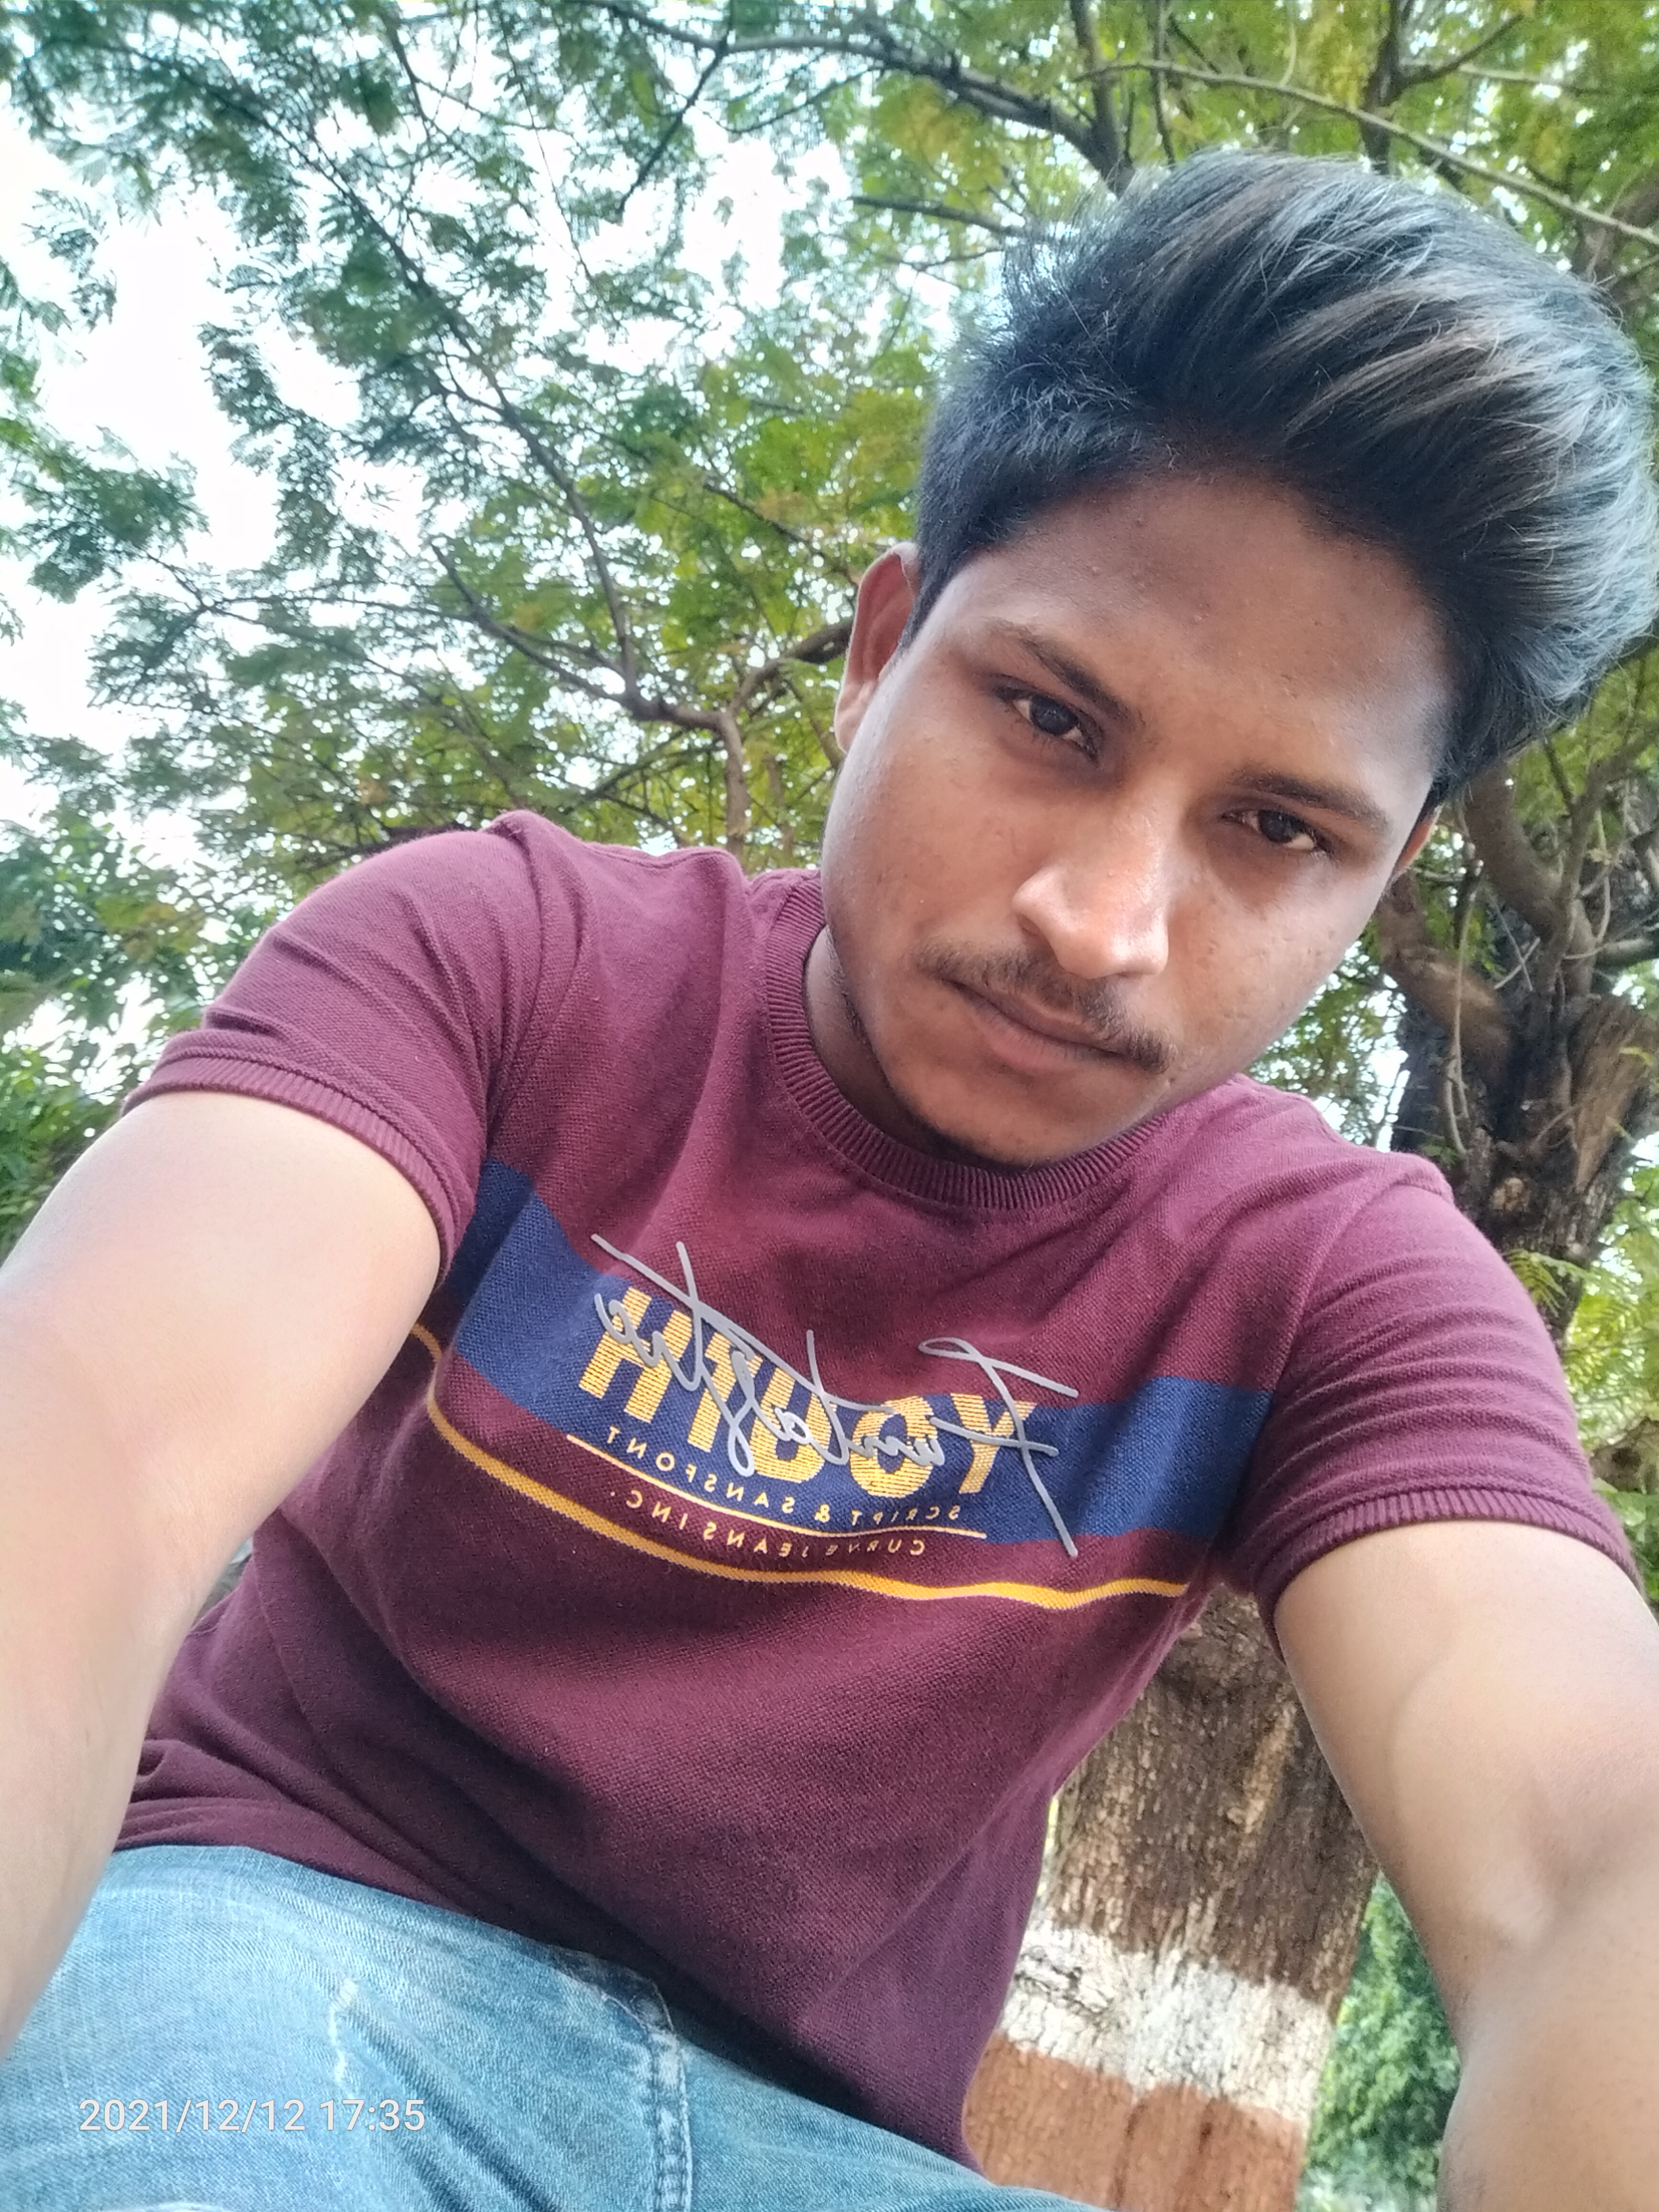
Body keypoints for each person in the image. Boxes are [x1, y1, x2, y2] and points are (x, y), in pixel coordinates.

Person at [3, 149, 1658, 2212]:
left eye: (1275, 831)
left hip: (834, 2147)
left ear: (1382, 876)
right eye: (1049, 717)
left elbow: (1583, 1847)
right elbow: (88, 1447)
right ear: (880, 652)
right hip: (275, 1964)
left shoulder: (1325, 1276)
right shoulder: (499, 963)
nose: (1099, 925)